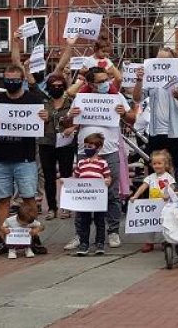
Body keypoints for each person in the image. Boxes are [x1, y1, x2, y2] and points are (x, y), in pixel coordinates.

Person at [65, 66, 134, 250]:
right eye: (101, 81)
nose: (106, 83)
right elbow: (66, 123)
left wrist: (124, 113)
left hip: (109, 152)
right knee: (83, 194)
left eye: (107, 80)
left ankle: (113, 232)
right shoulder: (81, 98)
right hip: (85, 152)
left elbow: (132, 118)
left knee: (112, 194)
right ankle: (80, 234)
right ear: (90, 83)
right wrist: (70, 115)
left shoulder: (116, 96)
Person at [0, 64, 46, 257]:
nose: (11, 83)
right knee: (3, 200)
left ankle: (33, 237)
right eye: (7, 80)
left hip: (25, 159)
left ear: (22, 80)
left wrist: (45, 116)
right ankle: (2, 239)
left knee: (29, 198)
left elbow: (45, 120)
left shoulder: (33, 100)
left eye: (15, 80)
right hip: (0, 159)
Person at [134, 47, 178, 176]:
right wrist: (139, 81)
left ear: (174, 61)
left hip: (177, 133)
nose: (161, 64)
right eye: (158, 60)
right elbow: (137, 99)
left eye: (165, 60)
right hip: (156, 133)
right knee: (155, 171)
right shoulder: (150, 79)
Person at [39, 73, 76, 220]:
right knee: (49, 177)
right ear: (48, 87)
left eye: (60, 86)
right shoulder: (43, 103)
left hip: (66, 142)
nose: (57, 88)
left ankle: (66, 207)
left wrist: (72, 127)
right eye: (54, 86)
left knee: (66, 175)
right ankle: (52, 207)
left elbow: (79, 120)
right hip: (46, 142)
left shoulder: (71, 103)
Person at [72, 132, 113, 256]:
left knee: (100, 220)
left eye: (90, 146)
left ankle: (100, 243)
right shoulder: (81, 163)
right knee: (84, 221)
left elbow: (108, 177)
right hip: (85, 199)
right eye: (85, 146)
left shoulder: (103, 163)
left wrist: (107, 181)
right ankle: (84, 243)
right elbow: (75, 178)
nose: (87, 149)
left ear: (98, 148)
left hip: (98, 198)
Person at [131, 151, 178, 252]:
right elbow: (143, 186)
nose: (156, 166)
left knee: (165, 224)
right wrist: (135, 196)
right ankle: (149, 242)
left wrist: (168, 194)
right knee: (150, 224)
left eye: (159, 163)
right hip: (152, 206)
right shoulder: (150, 177)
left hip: (165, 205)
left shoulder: (168, 177)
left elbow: (172, 187)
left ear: (166, 164)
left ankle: (165, 241)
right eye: (154, 163)